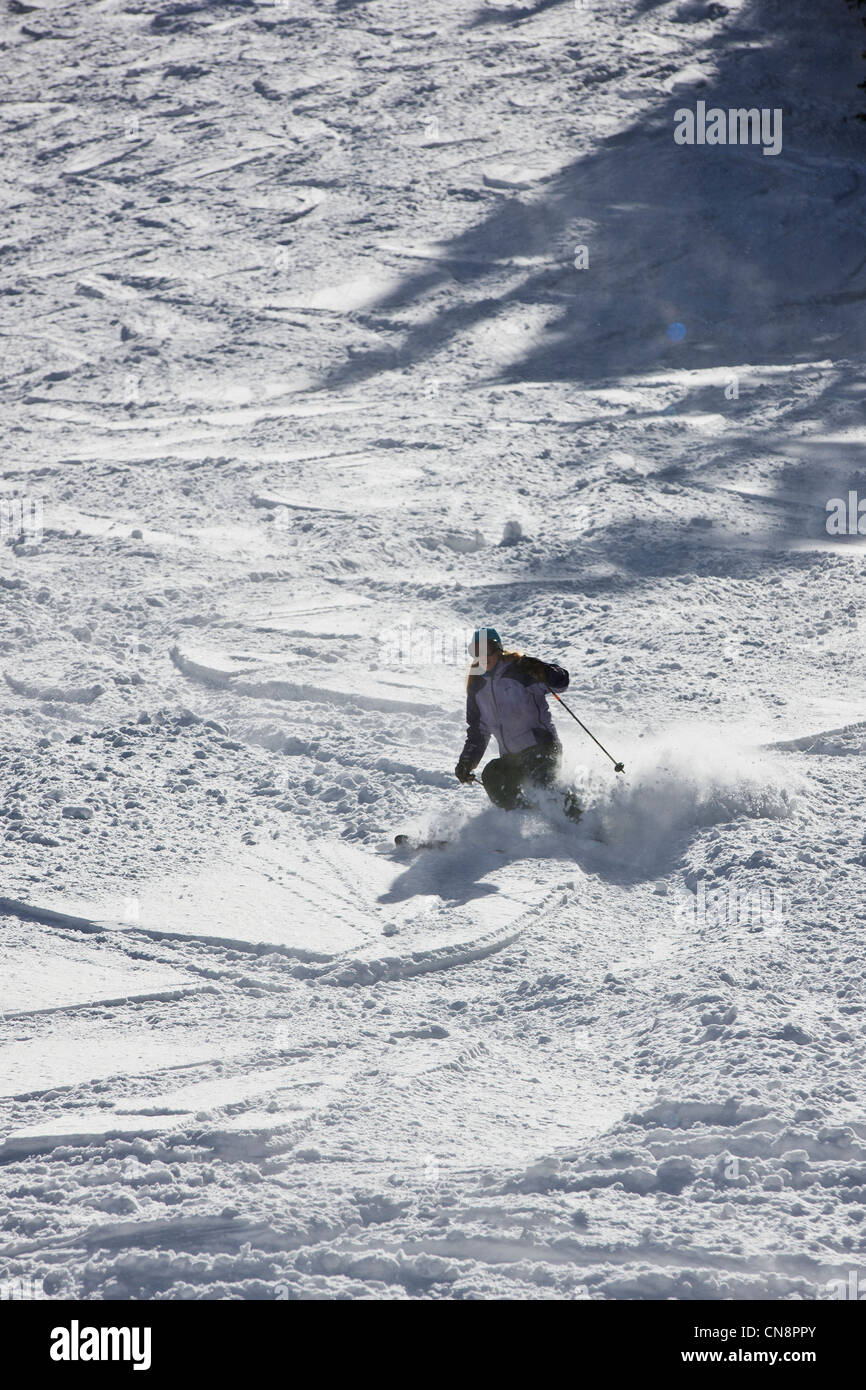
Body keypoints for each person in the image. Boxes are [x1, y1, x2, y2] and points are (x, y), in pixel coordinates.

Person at [454, 627, 580, 817]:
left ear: (498, 649)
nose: (482, 657)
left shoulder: (520, 670)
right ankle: (523, 825)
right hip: (512, 757)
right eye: (475, 651)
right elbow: (478, 731)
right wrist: (467, 761)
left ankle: (581, 821)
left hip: (541, 748)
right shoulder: (477, 686)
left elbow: (561, 682)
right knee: (493, 775)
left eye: (486, 650)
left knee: (544, 789)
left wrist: (544, 670)